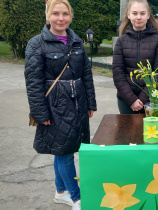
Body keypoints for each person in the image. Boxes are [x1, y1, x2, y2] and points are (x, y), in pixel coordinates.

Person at [24, 0, 97, 209]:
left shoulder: (77, 42)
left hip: (78, 104)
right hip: (54, 106)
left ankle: (61, 191)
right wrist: (39, 113)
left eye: (65, 13)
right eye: (55, 13)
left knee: (63, 148)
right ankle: (76, 197)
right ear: (48, 16)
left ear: (70, 17)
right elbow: (33, 82)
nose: (60, 18)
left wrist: (90, 102)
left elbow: (86, 75)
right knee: (65, 152)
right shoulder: (36, 43)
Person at [112, 0, 158, 114]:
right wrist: (131, 99)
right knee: (128, 131)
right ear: (128, 14)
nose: (138, 17)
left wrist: (142, 99)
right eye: (135, 13)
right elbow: (118, 73)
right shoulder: (121, 41)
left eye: (142, 13)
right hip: (126, 100)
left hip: (150, 100)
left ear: (148, 15)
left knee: (149, 131)